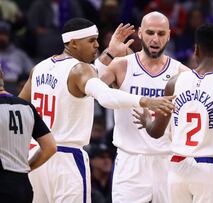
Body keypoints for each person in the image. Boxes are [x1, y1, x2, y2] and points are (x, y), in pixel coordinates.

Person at [18, 18, 175, 203]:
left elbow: (19, 108)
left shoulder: (39, 68)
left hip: (39, 155)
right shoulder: (80, 70)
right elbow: (106, 96)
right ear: (74, 43)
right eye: (91, 40)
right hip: (67, 161)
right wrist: (146, 101)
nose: (97, 45)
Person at [133, 23, 213, 203]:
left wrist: (147, 120)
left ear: (195, 50)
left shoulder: (174, 82)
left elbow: (156, 131)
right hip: (209, 167)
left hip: (178, 166)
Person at [99, 11, 189, 202]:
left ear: (169, 35)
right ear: (139, 33)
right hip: (130, 160)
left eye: (161, 33)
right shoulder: (121, 65)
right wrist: (109, 53)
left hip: (167, 160)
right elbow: (88, 86)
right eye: (150, 32)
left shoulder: (181, 72)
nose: (155, 39)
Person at [0, 66, 56, 203]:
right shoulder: (27, 106)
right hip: (23, 184)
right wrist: (27, 167)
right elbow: (50, 147)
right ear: (2, 75)